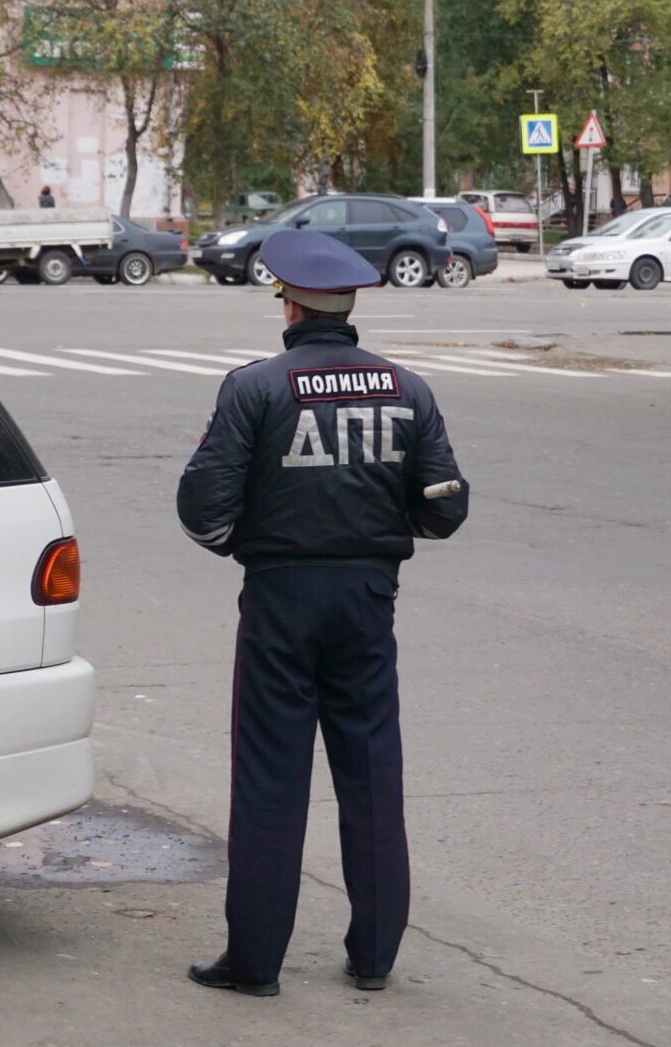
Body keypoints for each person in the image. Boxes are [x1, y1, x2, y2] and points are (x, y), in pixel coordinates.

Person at [176, 228, 470, 997]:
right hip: (370, 601)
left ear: (290, 304)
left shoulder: (256, 387)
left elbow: (202, 510)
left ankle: (256, 961)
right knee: (372, 773)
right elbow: (444, 512)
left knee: (272, 777)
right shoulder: (408, 389)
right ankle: (373, 956)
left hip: (280, 597)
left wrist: (257, 542)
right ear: (349, 307)